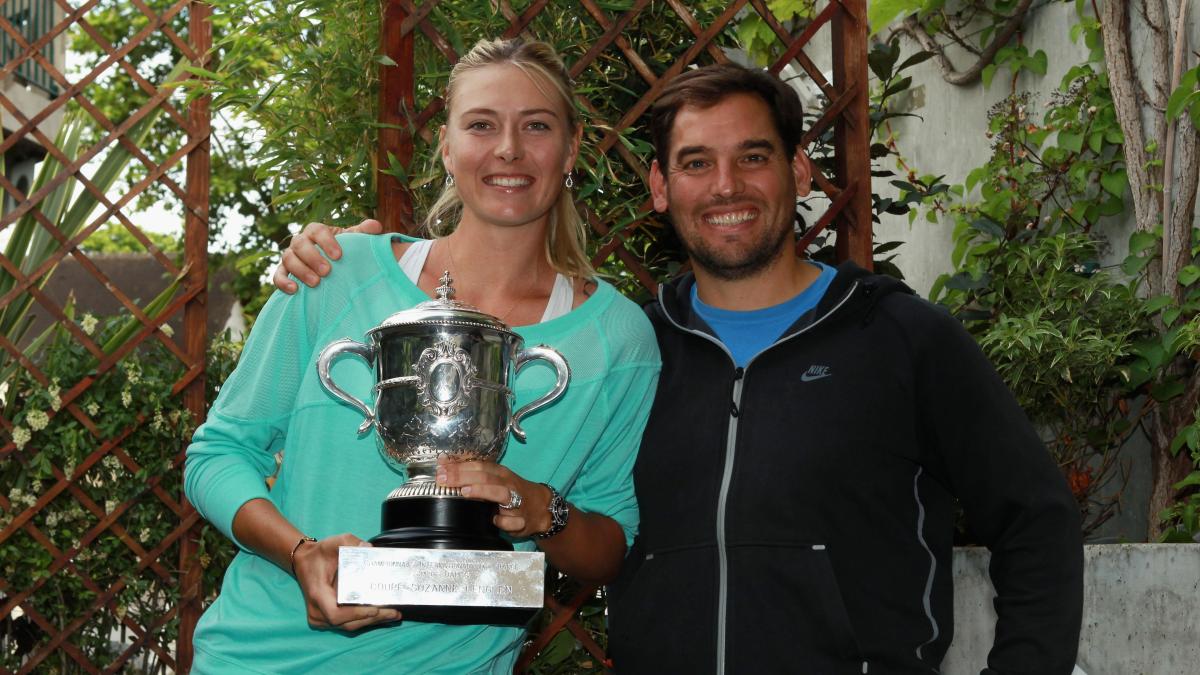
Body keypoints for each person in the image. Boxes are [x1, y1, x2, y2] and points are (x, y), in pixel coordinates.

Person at [277, 65, 1084, 673]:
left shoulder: (899, 337)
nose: (726, 186)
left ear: (799, 172)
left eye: (753, 157)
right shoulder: (632, 349)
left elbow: (1037, 519)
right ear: (661, 187)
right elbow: (584, 522)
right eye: (696, 163)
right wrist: (347, 257)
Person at [185, 37, 660, 674]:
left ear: (571, 149)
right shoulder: (336, 273)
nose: (508, 149)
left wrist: (539, 507)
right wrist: (300, 554)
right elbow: (219, 453)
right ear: (446, 146)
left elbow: (610, 545)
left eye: (537, 126)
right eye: (481, 124)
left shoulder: (618, 340)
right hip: (259, 660)